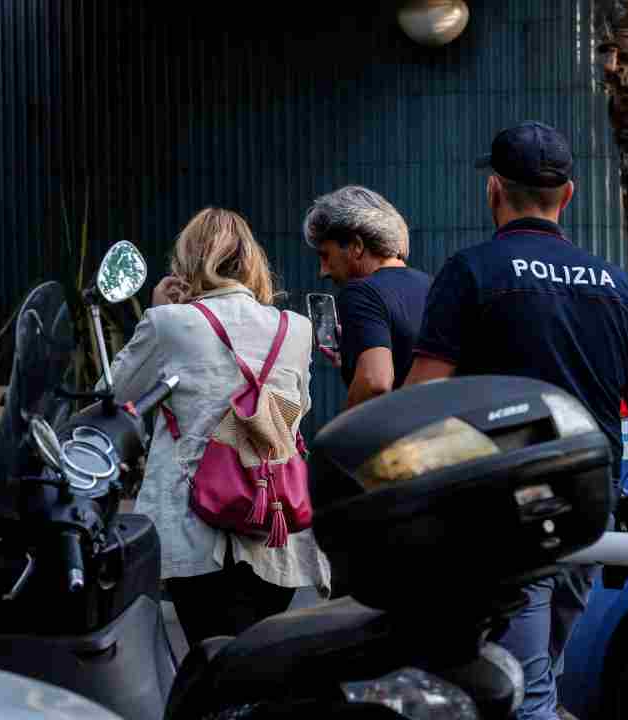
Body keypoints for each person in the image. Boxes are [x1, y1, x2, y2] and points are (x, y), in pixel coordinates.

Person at [405, 121, 628, 720]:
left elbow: (419, 398)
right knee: (539, 674)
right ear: (569, 195)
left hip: (507, 507)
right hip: (588, 505)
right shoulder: (622, 287)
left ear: (493, 190)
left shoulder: (472, 272)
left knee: (519, 692)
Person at [105, 207, 331, 648]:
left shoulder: (169, 323)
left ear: (190, 259)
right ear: (252, 261)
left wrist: (156, 314)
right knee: (252, 659)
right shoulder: (297, 328)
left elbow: (112, 398)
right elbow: (297, 410)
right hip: (274, 525)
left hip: (194, 526)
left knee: (208, 655)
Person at [303, 185, 431, 408]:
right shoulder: (435, 285)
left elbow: (375, 382)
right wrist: (356, 353)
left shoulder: (360, 293)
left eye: (325, 255)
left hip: (396, 438)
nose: (322, 271)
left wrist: (340, 435)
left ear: (357, 246)